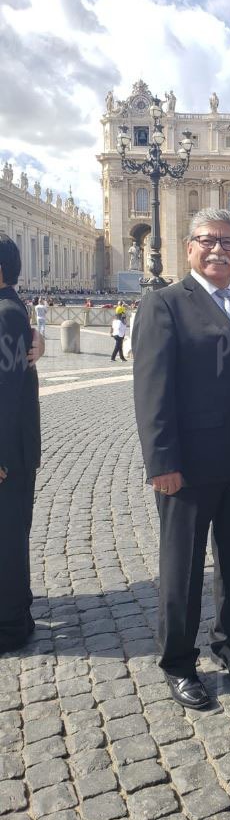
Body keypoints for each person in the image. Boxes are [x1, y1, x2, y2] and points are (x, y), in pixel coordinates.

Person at [133, 208, 230, 710]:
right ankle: (178, 661)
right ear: (189, 248)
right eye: (208, 240)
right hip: (187, 466)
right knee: (183, 569)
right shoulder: (165, 304)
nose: (219, 249)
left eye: (229, 242)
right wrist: (161, 462)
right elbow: (152, 390)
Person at [0, 234, 41, 653]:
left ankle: (11, 625)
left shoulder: (5, 313)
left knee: (6, 538)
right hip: (13, 447)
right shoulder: (11, 309)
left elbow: (5, 389)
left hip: (7, 451)